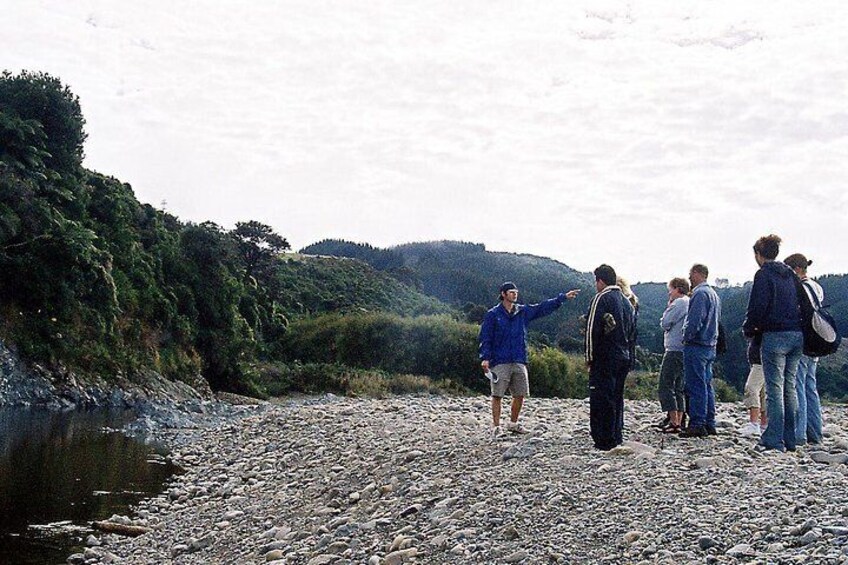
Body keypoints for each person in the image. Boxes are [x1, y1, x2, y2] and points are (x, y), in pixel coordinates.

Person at [479, 282, 580, 438]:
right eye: (511, 292)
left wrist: (562, 298)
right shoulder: (493, 314)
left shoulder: (522, 311)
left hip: (519, 358)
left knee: (520, 393)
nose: (515, 294)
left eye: (516, 292)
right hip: (500, 360)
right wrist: (485, 357)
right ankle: (496, 426)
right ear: (503, 294)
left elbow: (542, 308)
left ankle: (513, 423)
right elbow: (485, 337)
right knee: (497, 394)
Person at [742, 235, 803, 452]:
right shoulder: (790, 274)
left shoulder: (763, 274)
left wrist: (749, 329)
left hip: (774, 335)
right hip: (797, 334)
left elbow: (757, 306)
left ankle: (773, 439)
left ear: (759, 254)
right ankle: (790, 438)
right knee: (790, 387)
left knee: (774, 389)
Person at [584, 265, 637, 451]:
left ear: (600, 280)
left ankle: (603, 438)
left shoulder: (601, 298)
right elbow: (632, 333)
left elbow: (592, 330)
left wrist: (589, 358)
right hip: (624, 356)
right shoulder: (627, 302)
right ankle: (616, 435)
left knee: (601, 397)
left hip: (605, 357)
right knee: (617, 397)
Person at [784, 252, 825, 446]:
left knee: (797, 385)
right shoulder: (816, 286)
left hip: (803, 341)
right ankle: (815, 433)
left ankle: (798, 434)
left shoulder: (800, 287)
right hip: (815, 342)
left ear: (797, 269)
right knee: (810, 387)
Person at [679, 264, 721, 438]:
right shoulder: (714, 294)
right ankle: (709, 422)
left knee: (695, 385)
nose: (689, 278)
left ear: (697, 274)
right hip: (710, 345)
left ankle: (697, 423)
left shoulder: (699, 294)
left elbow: (695, 321)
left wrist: (686, 336)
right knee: (706, 384)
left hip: (697, 344)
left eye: (690, 274)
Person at [657, 277, 690, 433]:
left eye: (670, 289)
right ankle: (679, 420)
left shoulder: (678, 303)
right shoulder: (689, 302)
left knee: (666, 385)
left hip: (674, 349)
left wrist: (668, 307)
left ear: (677, 288)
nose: (669, 293)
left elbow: (665, 323)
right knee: (678, 387)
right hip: (684, 349)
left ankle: (674, 421)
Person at [738, 334, 768, 437]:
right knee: (763, 392)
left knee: (751, 388)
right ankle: (764, 424)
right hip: (763, 359)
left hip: (760, 360)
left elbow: (748, 330)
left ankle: (754, 423)